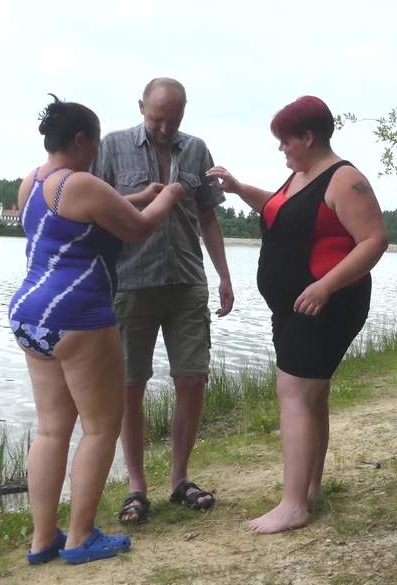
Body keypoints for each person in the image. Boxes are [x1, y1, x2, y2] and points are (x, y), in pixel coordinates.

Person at [8, 94, 183, 564]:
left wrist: (139, 196)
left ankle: (43, 540)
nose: (97, 151)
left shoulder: (32, 182)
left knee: (51, 431)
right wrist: (168, 195)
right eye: (96, 142)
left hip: (30, 315)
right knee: (102, 428)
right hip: (78, 314)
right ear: (82, 140)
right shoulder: (81, 182)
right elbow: (138, 228)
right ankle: (81, 537)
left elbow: (86, 215)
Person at [207, 95, 388, 534]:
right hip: (295, 307)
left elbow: (374, 240)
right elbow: (280, 210)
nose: (281, 148)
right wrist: (239, 189)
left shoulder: (344, 179)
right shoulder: (302, 176)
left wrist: (325, 285)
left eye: (285, 140)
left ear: (308, 137)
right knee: (311, 396)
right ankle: (309, 490)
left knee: (293, 394)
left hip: (327, 304)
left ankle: (293, 506)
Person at [91, 78, 234, 524]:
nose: (165, 127)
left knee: (192, 379)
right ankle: (136, 487)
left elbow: (207, 217)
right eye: (157, 118)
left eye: (174, 119)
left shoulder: (196, 150)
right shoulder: (112, 147)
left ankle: (179, 480)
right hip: (129, 285)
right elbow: (94, 206)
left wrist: (224, 275)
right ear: (141, 107)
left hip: (187, 282)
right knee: (129, 386)